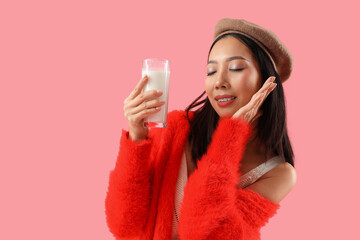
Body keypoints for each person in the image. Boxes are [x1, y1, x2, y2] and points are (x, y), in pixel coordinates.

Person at [105, 18, 297, 240]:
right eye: (211, 71)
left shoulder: (278, 173)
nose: (219, 82)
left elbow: (207, 232)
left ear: (267, 81)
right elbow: (124, 225)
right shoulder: (176, 128)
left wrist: (231, 135)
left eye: (235, 68)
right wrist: (137, 137)